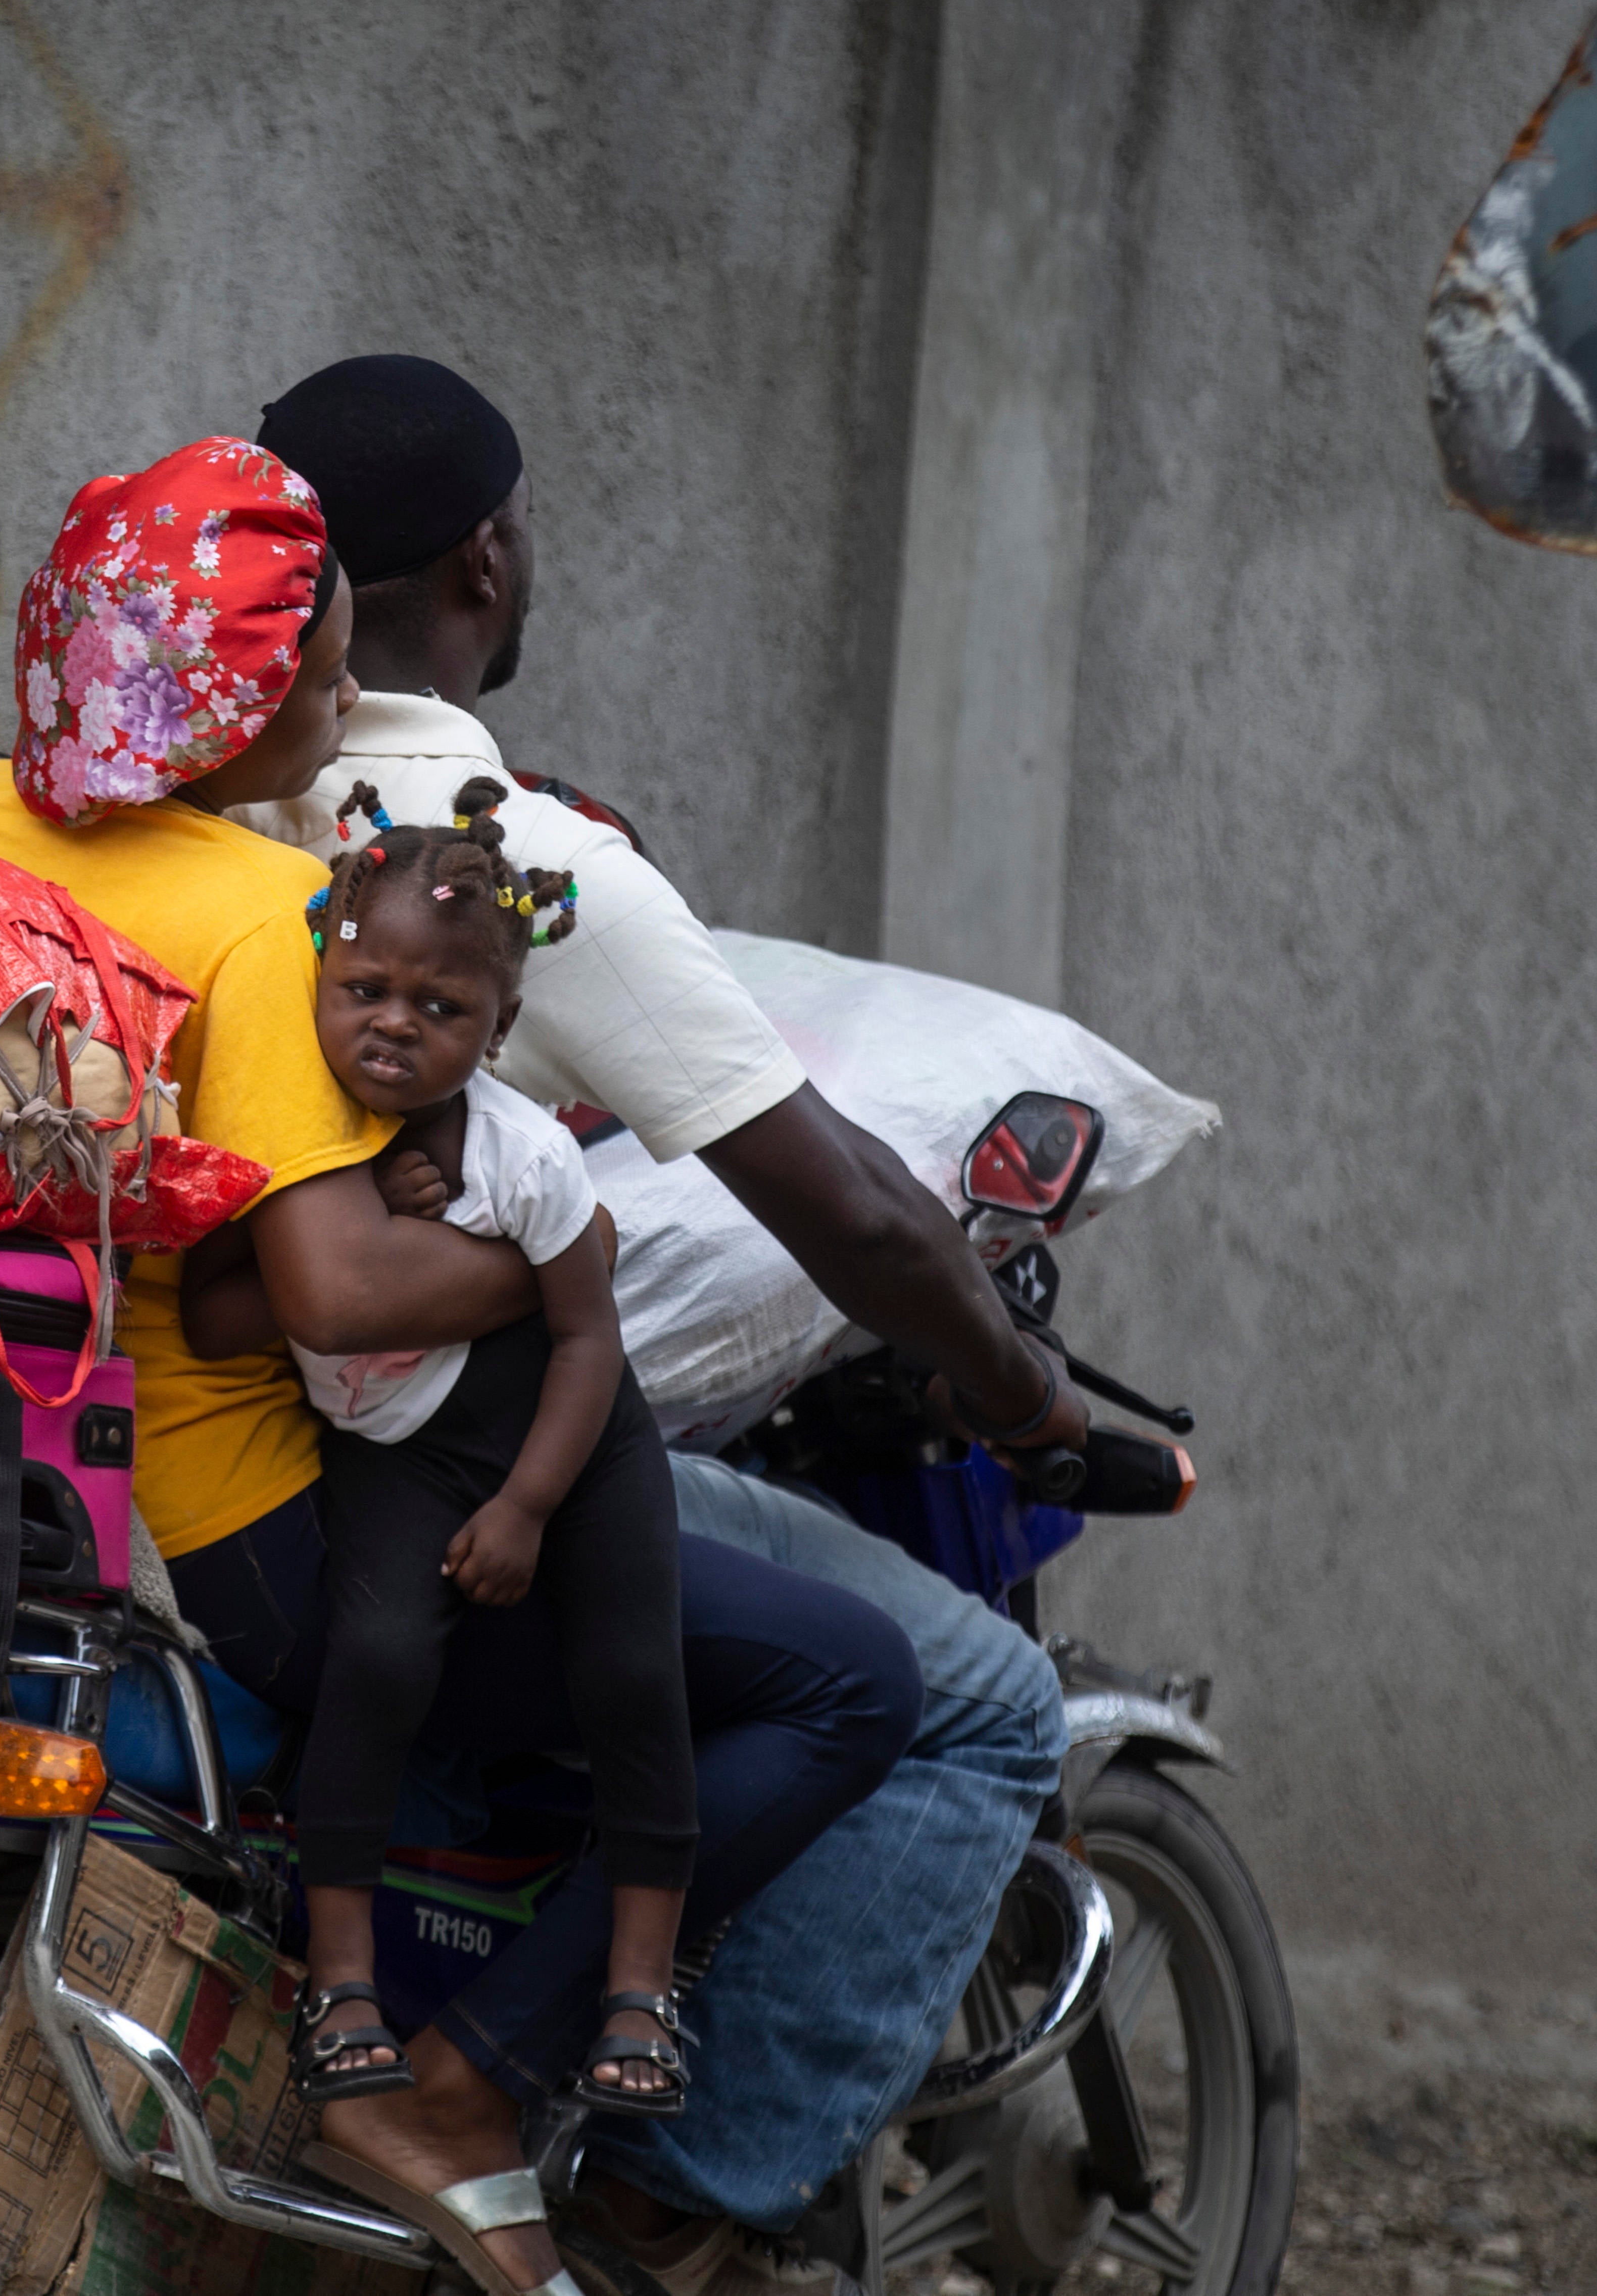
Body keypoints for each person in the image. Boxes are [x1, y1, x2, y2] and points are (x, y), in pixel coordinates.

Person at [0, 436, 924, 2296]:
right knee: (858, 1678)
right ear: (244, 701)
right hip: (266, 1532)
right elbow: (341, 1293)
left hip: (23, 1451)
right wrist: (565, 1267)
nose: (346, 698)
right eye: (318, 669)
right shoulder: (254, 918)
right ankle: (461, 2085)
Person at [244, 355, 1089, 2296]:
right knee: (966, 1705)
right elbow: (859, 1210)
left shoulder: (168, 784)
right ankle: (662, 2204)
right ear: (489, 552)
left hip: (171, 1422)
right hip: (406, 1453)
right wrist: (1019, 1391)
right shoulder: (502, 851)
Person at [179, 783, 694, 2124]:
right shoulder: (306, 1149)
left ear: (502, 1027)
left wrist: (530, 1507)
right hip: (400, 1452)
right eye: (366, 992)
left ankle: (641, 1986)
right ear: (319, 981)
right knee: (381, 1663)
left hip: (566, 1438)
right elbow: (221, 1314)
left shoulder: (530, 1162)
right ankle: (341, 1986)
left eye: (442, 1008)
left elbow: (590, 1338)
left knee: (634, 1671)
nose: (395, 1025)